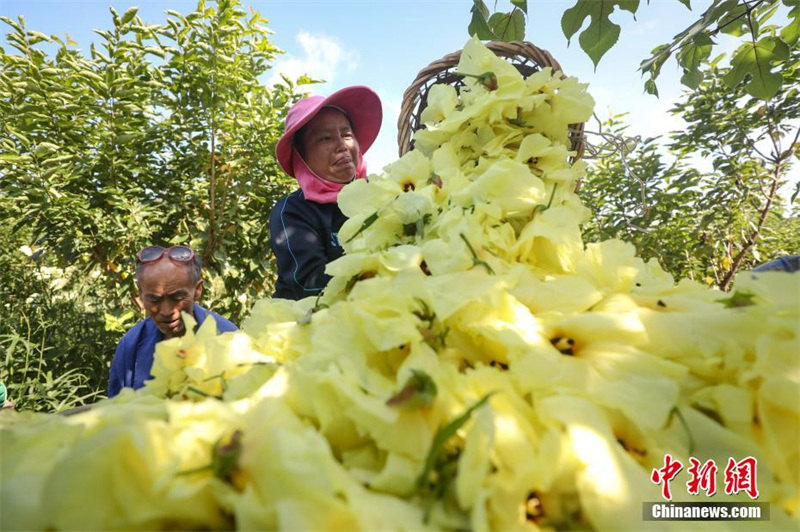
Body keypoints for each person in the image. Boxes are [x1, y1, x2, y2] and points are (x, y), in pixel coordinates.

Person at [269, 85, 383, 300]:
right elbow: (309, 284)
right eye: (325, 138)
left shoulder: (380, 195)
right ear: (301, 157)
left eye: (347, 134)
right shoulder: (293, 212)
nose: (342, 145)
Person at [108, 245, 237, 397]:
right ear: (140, 294)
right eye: (154, 299)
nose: (167, 311)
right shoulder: (130, 346)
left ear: (198, 290)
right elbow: (119, 409)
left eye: (177, 298)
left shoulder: (228, 338)